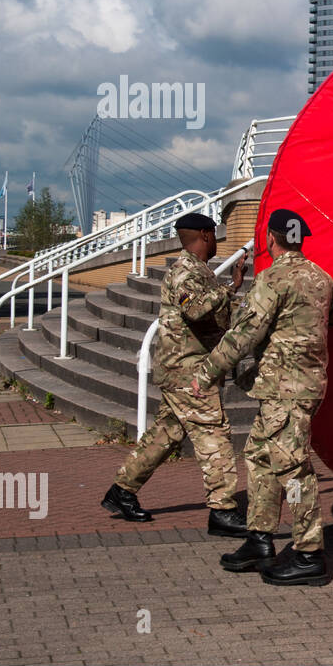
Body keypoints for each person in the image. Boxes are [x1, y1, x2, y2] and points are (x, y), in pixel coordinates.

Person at [193, 209, 333, 586]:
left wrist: (206, 372)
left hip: (284, 390)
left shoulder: (272, 279)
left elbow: (244, 334)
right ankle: (260, 539)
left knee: (293, 468)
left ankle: (309, 552)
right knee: (260, 458)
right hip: (302, 387)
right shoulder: (320, 277)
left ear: (270, 239)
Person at [101, 212, 247, 537]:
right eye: (214, 236)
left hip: (186, 366)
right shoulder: (185, 271)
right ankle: (223, 510)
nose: (216, 242)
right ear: (206, 235)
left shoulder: (200, 271)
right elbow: (194, 309)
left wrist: (233, 292)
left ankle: (122, 491)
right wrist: (228, 290)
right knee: (214, 432)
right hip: (186, 371)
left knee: (166, 434)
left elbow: (215, 317)